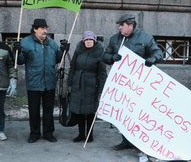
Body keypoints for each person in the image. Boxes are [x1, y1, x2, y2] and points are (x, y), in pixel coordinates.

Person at [102, 13, 163, 150]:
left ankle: (139, 141)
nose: (119, 28)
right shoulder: (114, 39)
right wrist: (112, 57)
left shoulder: (145, 38)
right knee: (123, 112)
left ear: (130, 25)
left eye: (122, 25)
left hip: (140, 84)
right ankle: (126, 140)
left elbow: (158, 52)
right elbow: (105, 56)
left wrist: (153, 59)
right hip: (122, 83)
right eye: (119, 25)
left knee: (139, 112)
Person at [16, 18, 67, 143]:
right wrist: (15, 51)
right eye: (42, 28)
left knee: (48, 111)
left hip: (49, 82)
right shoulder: (26, 42)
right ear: (35, 29)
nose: (45, 31)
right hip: (33, 83)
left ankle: (48, 133)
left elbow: (57, 59)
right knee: (34, 111)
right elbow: (20, 61)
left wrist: (64, 50)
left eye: (46, 28)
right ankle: (34, 133)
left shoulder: (51, 43)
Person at [67, 31, 107, 143]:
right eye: (86, 40)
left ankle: (89, 134)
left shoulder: (99, 52)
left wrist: (101, 89)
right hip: (78, 84)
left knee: (89, 111)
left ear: (94, 41)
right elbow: (72, 67)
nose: (88, 42)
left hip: (91, 85)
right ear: (83, 41)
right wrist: (69, 82)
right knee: (79, 110)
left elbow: (102, 73)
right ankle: (80, 134)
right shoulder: (78, 50)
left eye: (90, 40)